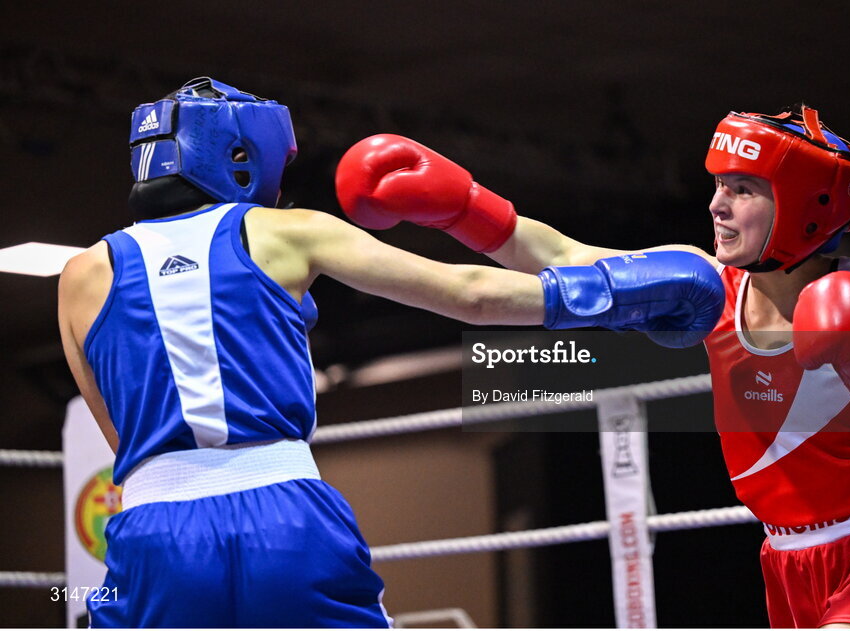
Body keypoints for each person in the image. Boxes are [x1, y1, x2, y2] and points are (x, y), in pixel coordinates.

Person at [56, 77, 724, 628]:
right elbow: (470, 292)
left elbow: (121, 439)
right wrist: (611, 295)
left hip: (154, 530)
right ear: (240, 155)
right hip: (284, 516)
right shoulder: (287, 230)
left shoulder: (80, 276)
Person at [333, 105, 850, 628]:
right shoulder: (709, 288)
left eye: (742, 190)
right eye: (718, 185)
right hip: (785, 556)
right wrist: (460, 204)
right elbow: (566, 255)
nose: (717, 205)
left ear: (804, 203)